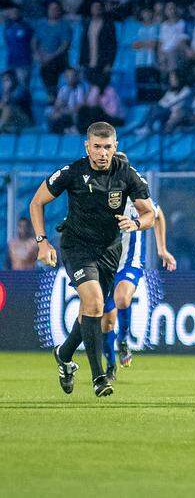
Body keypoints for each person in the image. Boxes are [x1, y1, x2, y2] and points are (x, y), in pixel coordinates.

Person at [29, 121, 156, 397]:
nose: (102, 153)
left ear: (116, 147)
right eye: (96, 147)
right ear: (87, 147)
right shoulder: (73, 172)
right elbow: (36, 202)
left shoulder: (126, 174)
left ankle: (63, 355)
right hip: (77, 247)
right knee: (95, 303)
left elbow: (150, 214)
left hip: (110, 253)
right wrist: (42, 242)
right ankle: (100, 377)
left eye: (107, 147)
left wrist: (136, 224)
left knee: (91, 311)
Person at [101, 152, 176, 379]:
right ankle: (110, 366)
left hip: (130, 261)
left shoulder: (137, 195)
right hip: (104, 264)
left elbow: (157, 215)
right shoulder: (100, 194)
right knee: (107, 322)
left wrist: (162, 249)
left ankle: (123, 339)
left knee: (122, 298)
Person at [32, 1, 72, 103]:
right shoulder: (41, 24)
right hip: (43, 58)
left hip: (58, 58)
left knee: (49, 67)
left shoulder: (64, 25)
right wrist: (37, 54)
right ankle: (51, 95)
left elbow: (65, 44)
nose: (53, 11)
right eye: (51, 9)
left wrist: (51, 56)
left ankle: (53, 96)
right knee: (44, 68)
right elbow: (34, 41)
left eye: (56, 9)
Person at [79, 0, 117, 86]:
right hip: (88, 63)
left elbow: (112, 46)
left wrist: (109, 64)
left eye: (98, 7)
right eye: (94, 7)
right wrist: (81, 63)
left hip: (102, 64)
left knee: (98, 91)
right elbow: (83, 45)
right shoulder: (87, 24)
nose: (96, 9)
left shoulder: (108, 25)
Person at [48, 66, 86, 134]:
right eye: (68, 76)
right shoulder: (63, 89)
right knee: (51, 113)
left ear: (76, 77)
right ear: (65, 77)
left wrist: (67, 111)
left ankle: (72, 129)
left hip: (74, 113)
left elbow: (80, 105)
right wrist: (57, 109)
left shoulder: (79, 89)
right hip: (65, 113)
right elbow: (58, 104)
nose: (70, 78)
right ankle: (64, 131)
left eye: (72, 76)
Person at [4, 5, 33, 89]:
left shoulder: (26, 27)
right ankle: (7, 101)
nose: (14, 14)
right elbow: (7, 42)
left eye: (16, 12)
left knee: (23, 86)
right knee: (8, 85)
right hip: (11, 61)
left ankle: (25, 100)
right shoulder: (8, 27)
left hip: (24, 62)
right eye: (12, 13)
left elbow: (32, 42)